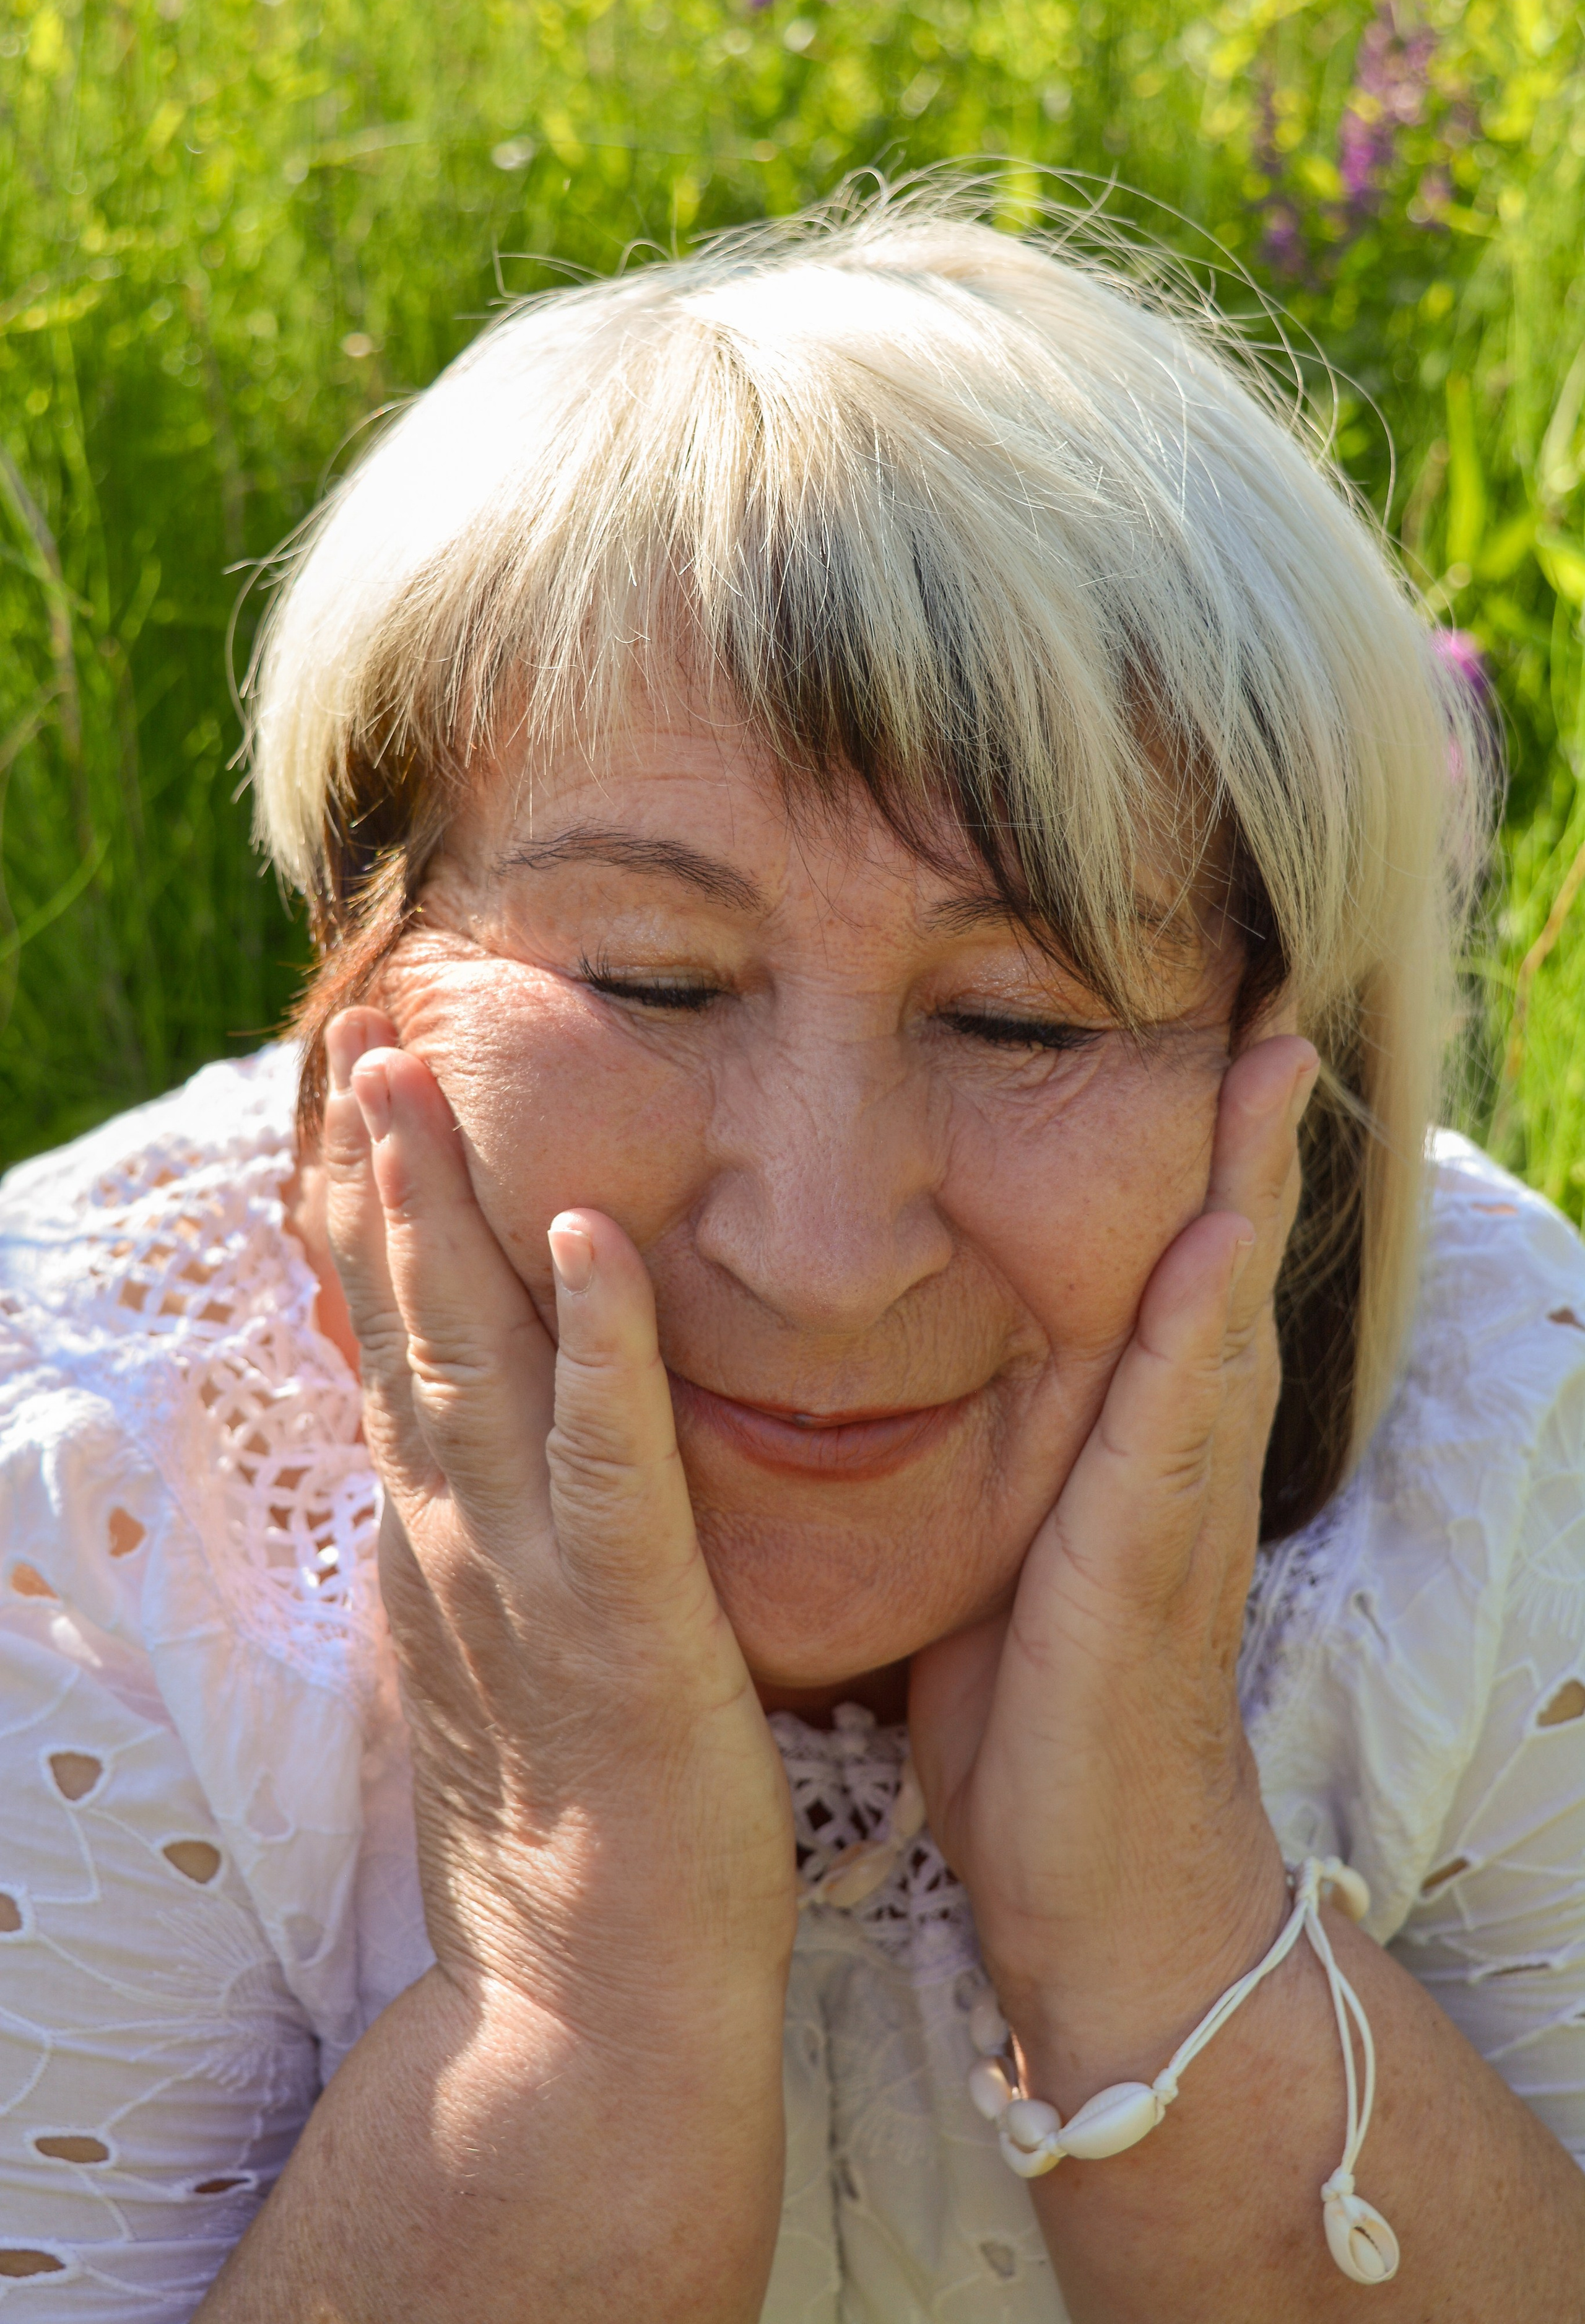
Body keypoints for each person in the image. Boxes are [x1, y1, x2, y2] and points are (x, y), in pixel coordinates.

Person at [2, 188, 1583, 2323]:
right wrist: (585, 1979)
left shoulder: (1499, 1451)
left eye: (1020, 1018)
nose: (826, 1252)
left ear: (1281, 1068)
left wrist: (1164, 1918)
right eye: (655, 981)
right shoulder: (75, 1516)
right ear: (359, 980)